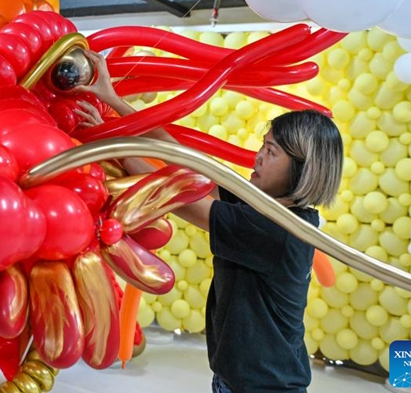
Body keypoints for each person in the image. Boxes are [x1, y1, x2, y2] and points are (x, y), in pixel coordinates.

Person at [75, 50, 344, 393]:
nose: (259, 156)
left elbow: (177, 196)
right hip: (243, 380)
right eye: (264, 145)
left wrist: (110, 140)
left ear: (302, 168)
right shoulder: (271, 207)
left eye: (271, 151)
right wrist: (115, 104)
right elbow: (190, 164)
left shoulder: (277, 229)